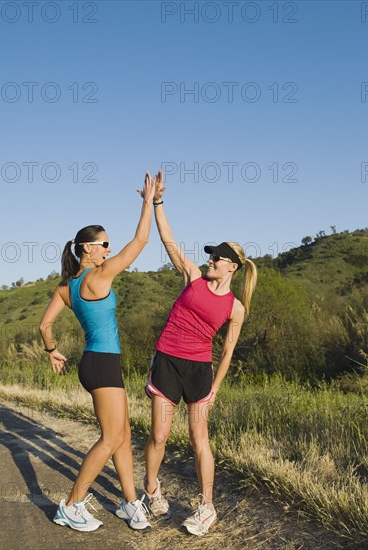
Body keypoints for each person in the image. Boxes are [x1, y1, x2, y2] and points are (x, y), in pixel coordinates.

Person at [39, 172, 156, 532]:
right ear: (87, 248)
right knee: (110, 437)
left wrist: (53, 351)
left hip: (98, 363)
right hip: (102, 364)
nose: (108, 249)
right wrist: (148, 201)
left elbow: (44, 326)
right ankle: (72, 504)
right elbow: (141, 240)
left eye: (108, 244)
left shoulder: (67, 286)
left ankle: (129, 501)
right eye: (104, 244)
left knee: (122, 434)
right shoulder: (98, 276)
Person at [143, 170, 258, 536]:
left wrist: (215, 389)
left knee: (199, 439)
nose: (211, 260)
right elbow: (168, 240)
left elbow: (226, 352)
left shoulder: (235, 308)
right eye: (212, 256)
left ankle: (206, 507)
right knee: (159, 436)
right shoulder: (192, 276)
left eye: (218, 258)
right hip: (167, 362)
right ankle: (151, 491)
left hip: (198, 372)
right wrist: (157, 201)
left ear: (233, 267)